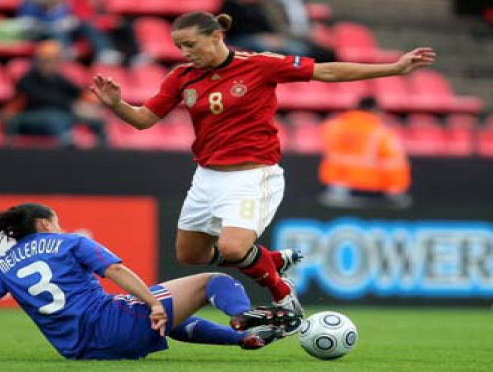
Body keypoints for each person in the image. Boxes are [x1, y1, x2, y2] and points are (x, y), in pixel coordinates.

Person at [89, 11, 436, 328]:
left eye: (191, 44)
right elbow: (144, 120)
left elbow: (326, 71)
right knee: (189, 255)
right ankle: (271, 260)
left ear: (216, 37)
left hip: (252, 175)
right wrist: (117, 104)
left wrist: (394, 67)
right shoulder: (182, 77)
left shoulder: (259, 65)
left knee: (235, 248)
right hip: (207, 178)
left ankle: (284, 298)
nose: (185, 52)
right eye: (180, 46)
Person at [0, 203, 300, 360]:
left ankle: (243, 337)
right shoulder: (71, 242)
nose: (58, 225)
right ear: (43, 224)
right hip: (112, 323)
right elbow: (114, 271)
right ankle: (244, 315)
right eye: (55, 221)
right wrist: (153, 300)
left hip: (79, 351)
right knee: (215, 281)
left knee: (165, 321)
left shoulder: (0, 264)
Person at [3, 40, 108, 147]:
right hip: (28, 117)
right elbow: (42, 99)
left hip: (62, 113)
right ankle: (67, 151)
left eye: (55, 60)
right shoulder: (27, 80)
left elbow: (78, 92)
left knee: (96, 121)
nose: (52, 64)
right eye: (47, 60)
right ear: (38, 61)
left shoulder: (58, 79)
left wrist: (92, 105)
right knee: (56, 119)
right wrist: (73, 106)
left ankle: (102, 151)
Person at [318, 96, 412, 209]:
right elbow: (394, 163)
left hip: (337, 190)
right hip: (373, 191)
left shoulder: (333, 127)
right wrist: (397, 189)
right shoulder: (381, 132)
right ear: (375, 110)